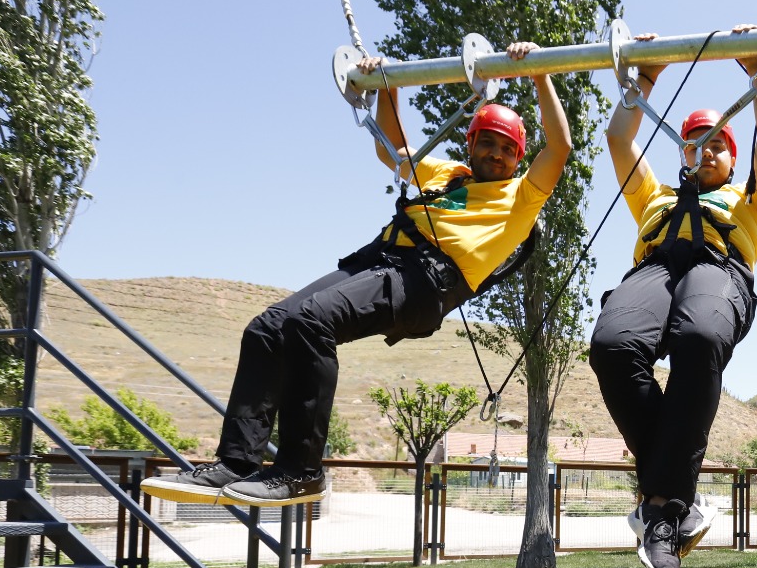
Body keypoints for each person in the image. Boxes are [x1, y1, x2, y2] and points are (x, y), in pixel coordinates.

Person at [142, 45, 570, 507]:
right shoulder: (448, 173)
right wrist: (387, 83)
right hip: (382, 258)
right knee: (267, 328)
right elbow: (393, 149)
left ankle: (300, 471)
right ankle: (237, 461)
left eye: (508, 149)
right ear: (471, 142)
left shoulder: (522, 198)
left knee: (309, 322)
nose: (496, 154)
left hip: (427, 281)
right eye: (487, 141)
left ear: (520, 157)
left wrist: (539, 74)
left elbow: (561, 146)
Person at [590, 26, 757, 568]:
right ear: (682, 151)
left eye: (719, 143)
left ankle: (664, 510)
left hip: (719, 270)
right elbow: (620, 141)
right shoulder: (656, 197)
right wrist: (644, 79)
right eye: (696, 142)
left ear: (729, 155)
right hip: (655, 269)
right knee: (610, 346)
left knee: (698, 338)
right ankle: (676, 495)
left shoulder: (749, 200)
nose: (707, 150)